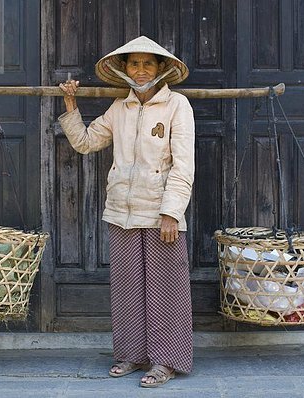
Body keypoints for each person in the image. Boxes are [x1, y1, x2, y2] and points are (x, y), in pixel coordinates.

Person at [58, 36, 195, 388]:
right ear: (125, 69)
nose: (140, 70)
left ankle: (166, 360)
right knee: (128, 287)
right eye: (134, 63)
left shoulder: (177, 106)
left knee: (166, 288)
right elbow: (86, 142)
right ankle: (133, 354)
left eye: (148, 63)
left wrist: (171, 213)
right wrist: (71, 105)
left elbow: (183, 166)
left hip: (161, 214)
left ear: (161, 69)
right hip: (121, 211)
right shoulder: (120, 108)